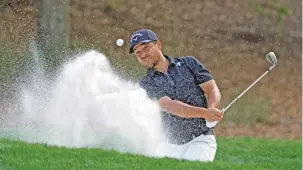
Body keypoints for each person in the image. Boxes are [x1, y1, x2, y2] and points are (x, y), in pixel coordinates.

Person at [128, 29, 224, 162]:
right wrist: (204, 113)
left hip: (200, 139)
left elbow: (212, 89)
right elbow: (169, 106)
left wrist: (212, 110)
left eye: (146, 48)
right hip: (168, 146)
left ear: (158, 45)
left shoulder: (189, 63)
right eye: (138, 53)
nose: (143, 54)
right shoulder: (146, 84)